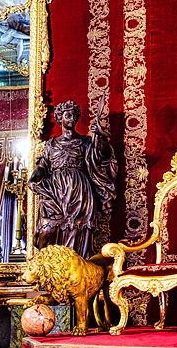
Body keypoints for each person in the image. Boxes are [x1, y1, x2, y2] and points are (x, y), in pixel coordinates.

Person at [29, 98, 117, 257]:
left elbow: (103, 156)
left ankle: (77, 266)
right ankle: (51, 264)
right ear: (59, 118)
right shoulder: (51, 145)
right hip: (55, 191)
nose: (72, 119)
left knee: (77, 230)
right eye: (68, 115)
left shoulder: (85, 142)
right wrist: (33, 179)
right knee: (47, 230)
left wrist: (100, 135)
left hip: (79, 191)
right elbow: (42, 167)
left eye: (74, 115)